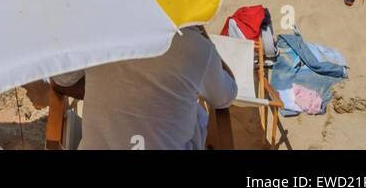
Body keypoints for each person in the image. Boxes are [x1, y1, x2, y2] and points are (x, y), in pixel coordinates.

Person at [29, 27, 237, 151]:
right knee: (198, 116)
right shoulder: (198, 48)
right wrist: (204, 37)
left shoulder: (101, 32)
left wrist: (112, 87)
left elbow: (61, 81)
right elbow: (225, 97)